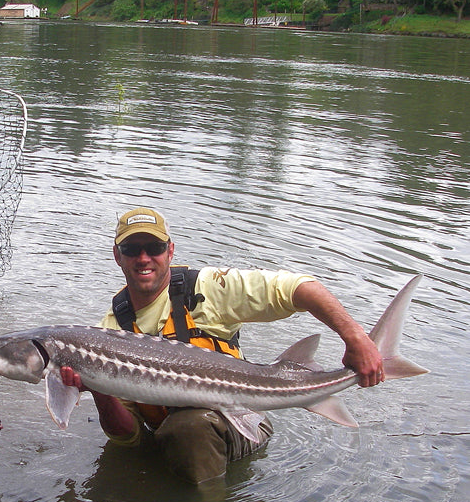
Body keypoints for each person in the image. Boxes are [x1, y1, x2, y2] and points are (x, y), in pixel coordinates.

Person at [60, 207, 385, 484]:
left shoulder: (208, 288)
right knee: (162, 442)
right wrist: (99, 390)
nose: (143, 258)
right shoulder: (110, 330)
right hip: (167, 435)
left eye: (154, 246)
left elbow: (297, 287)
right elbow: (127, 438)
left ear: (170, 252)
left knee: (189, 428)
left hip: (238, 419)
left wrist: (357, 338)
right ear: (117, 256)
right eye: (132, 249)